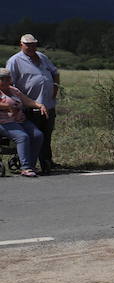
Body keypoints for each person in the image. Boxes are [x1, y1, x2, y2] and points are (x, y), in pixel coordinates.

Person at [6, 33, 60, 174]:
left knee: (46, 135)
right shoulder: (14, 61)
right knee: (33, 135)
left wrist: (55, 86)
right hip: (29, 105)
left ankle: (47, 163)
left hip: (48, 104)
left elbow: (55, 72)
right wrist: (15, 102)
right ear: (21, 45)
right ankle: (29, 164)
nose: (31, 47)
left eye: (33, 44)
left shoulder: (42, 57)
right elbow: (8, 83)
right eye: (27, 44)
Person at [0, 67, 49, 177]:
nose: (4, 81)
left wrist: (39, 105)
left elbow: (27, 101)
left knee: (38, 135)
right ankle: (25, 167)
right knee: (22, 137)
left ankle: (31, 165)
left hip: (20, 120)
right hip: (4, 122)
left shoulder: (14, 90)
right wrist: (8, 106)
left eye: (7, 79)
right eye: (1, 79)